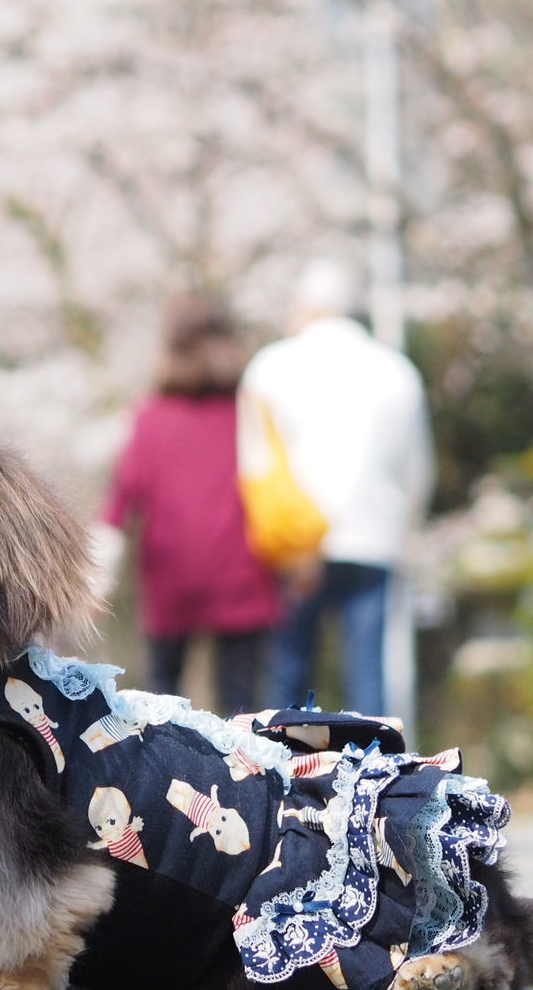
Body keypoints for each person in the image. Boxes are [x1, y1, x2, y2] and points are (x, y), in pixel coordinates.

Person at [239, 259, 434, 717]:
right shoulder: (396, 369)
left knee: (289, 674)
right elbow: (417, 466)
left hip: (297, 544)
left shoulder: (269, 366)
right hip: (374, 537)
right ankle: (383, 778)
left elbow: (253, 463)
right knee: (367, 678)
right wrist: (408, 523)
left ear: (307, 305)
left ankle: (280, 780)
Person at [101, 293, 281, 715]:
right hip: (242, 570)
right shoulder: (247, 411)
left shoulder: (151, 416)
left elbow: (124, 494)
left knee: (160, 704)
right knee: (245, 711)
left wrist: (97, 570)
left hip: (171, 575)